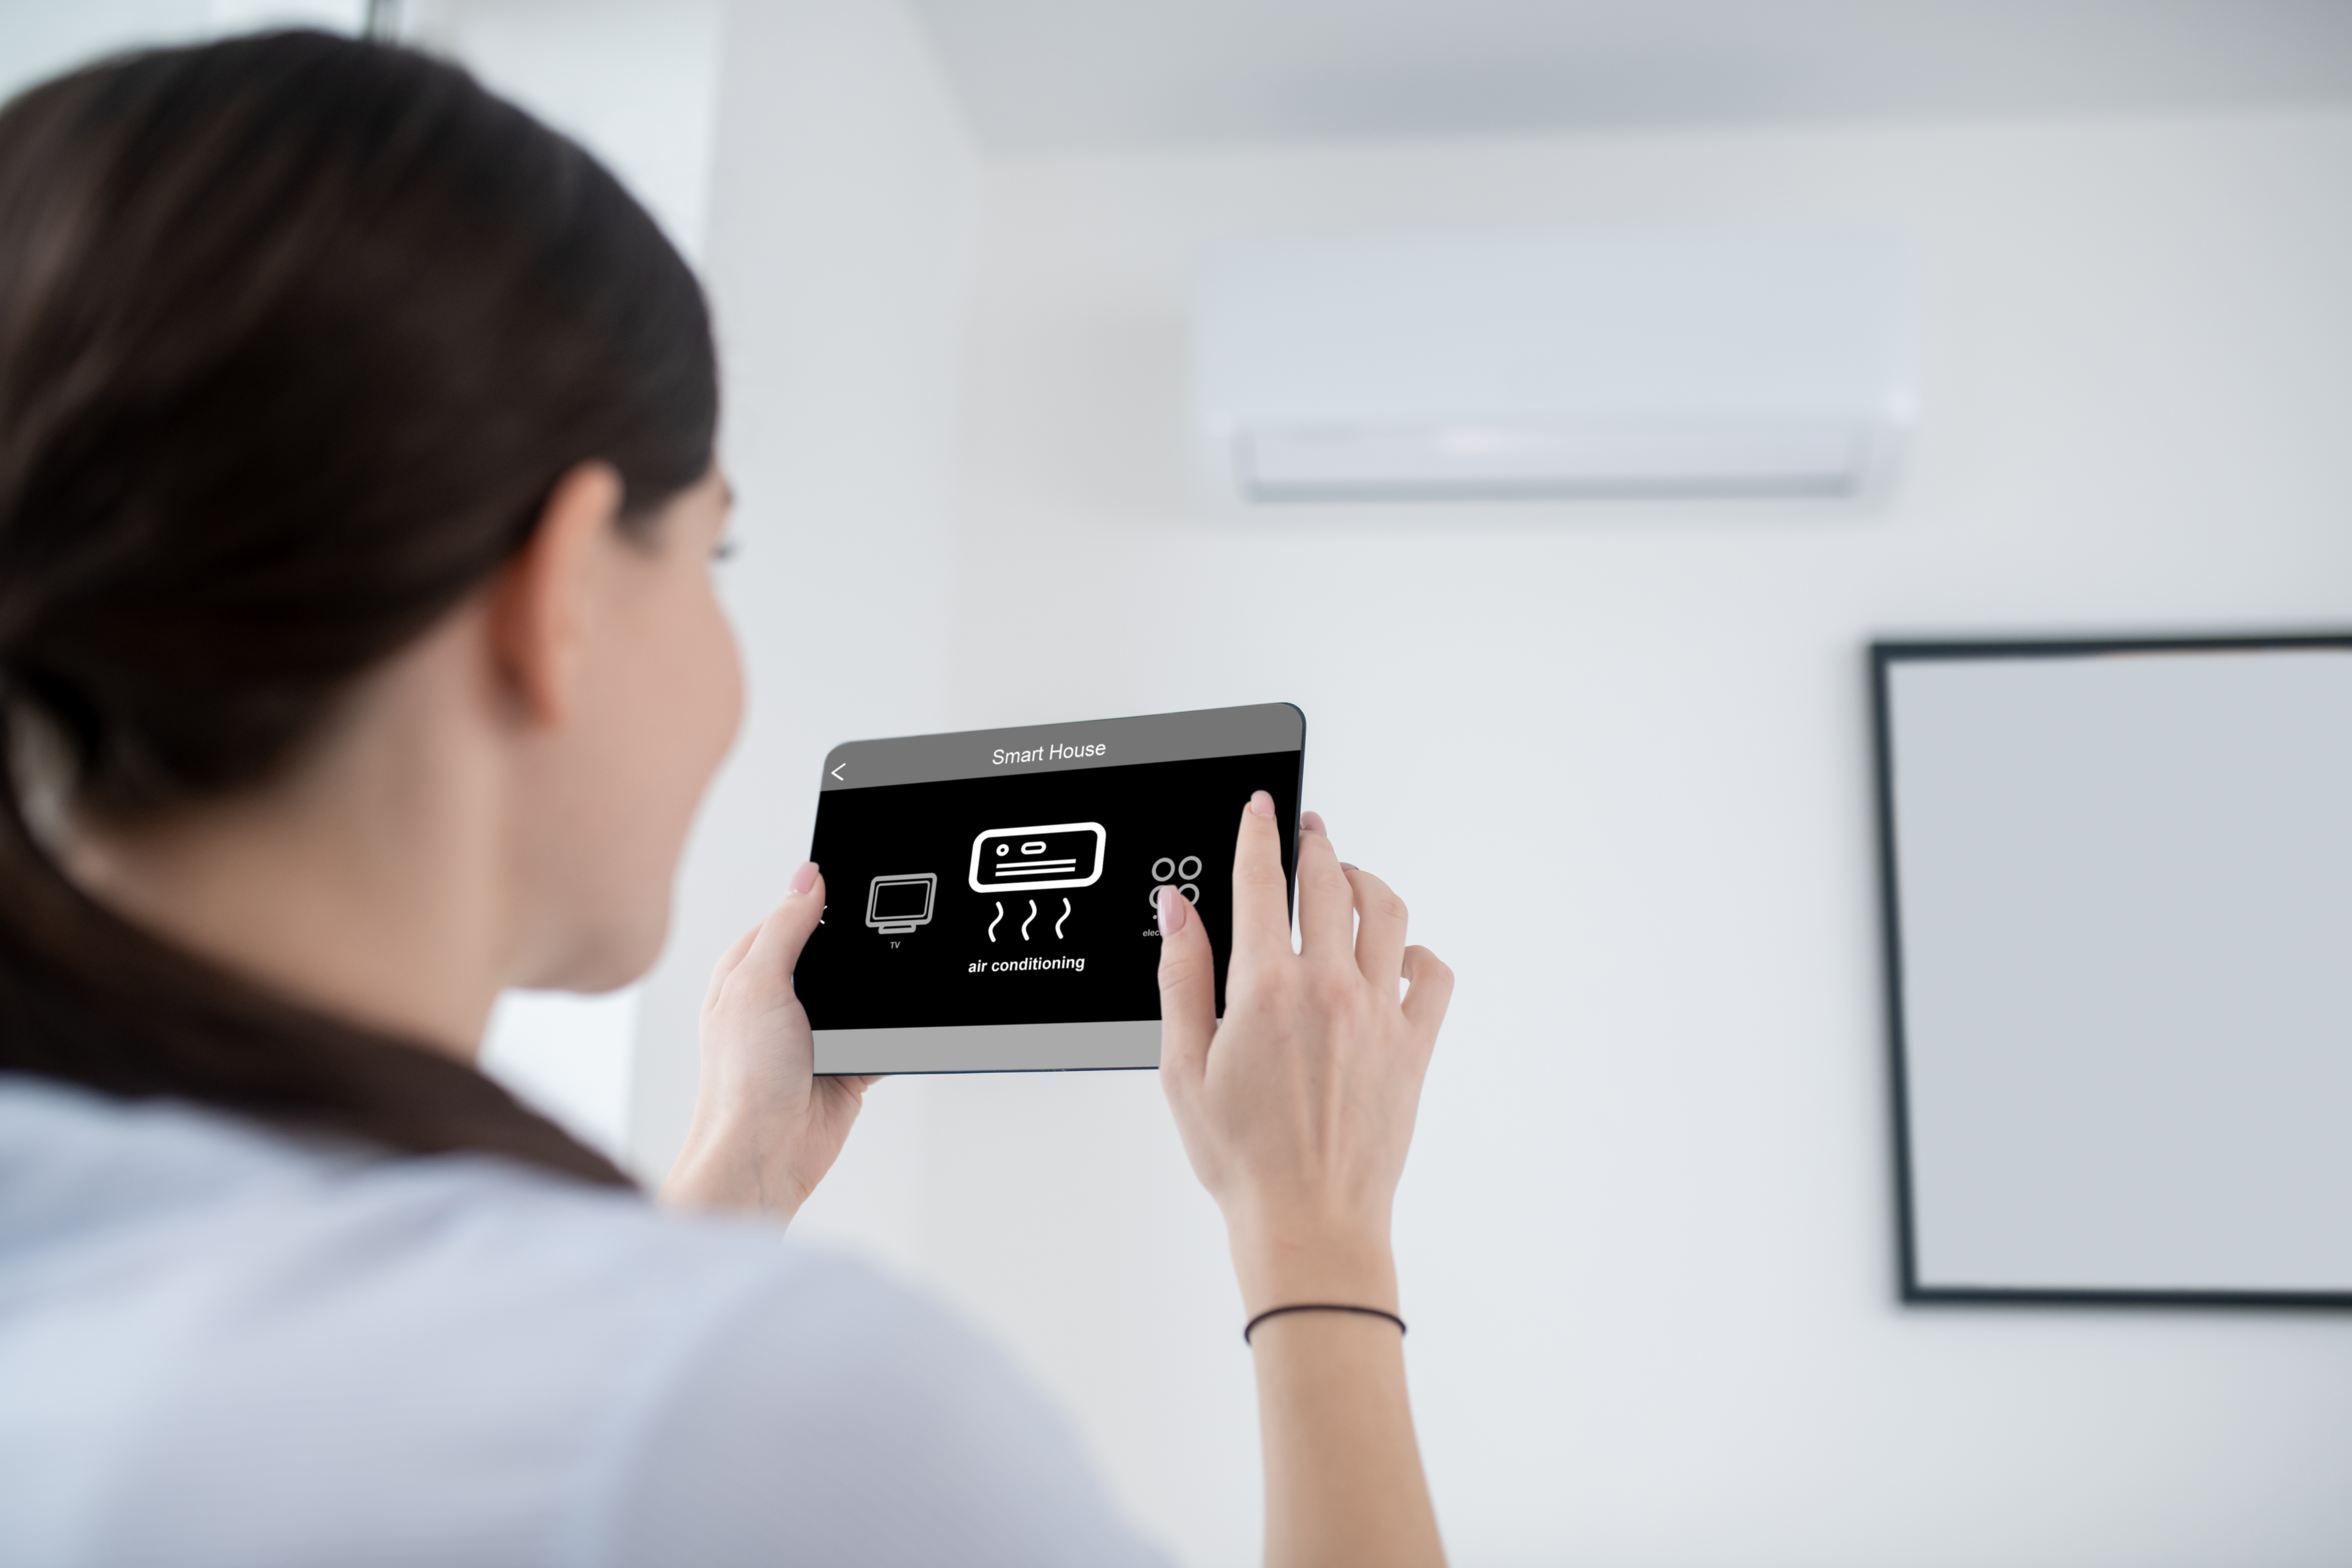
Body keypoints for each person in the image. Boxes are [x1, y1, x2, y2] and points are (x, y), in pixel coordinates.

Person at [0, 30, 1455, 1568]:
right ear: (557, 594)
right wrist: (1317, 1231)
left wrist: (736, 1179)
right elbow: (626, 1438)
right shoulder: (760, 1404)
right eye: (714, 555)